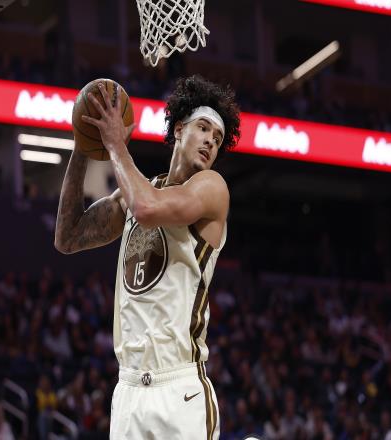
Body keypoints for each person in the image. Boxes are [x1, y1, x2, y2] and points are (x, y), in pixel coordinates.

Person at [55, 75, 241, 439]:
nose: (210, 141)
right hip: (128, 390)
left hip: (179, 388)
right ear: (179, 129)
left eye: (218, 138)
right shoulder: (136, 192)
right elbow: (67, 237)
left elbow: (146, 208)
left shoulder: (211, 189)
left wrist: (113, 145)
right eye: (203, 128)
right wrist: (83, 145)